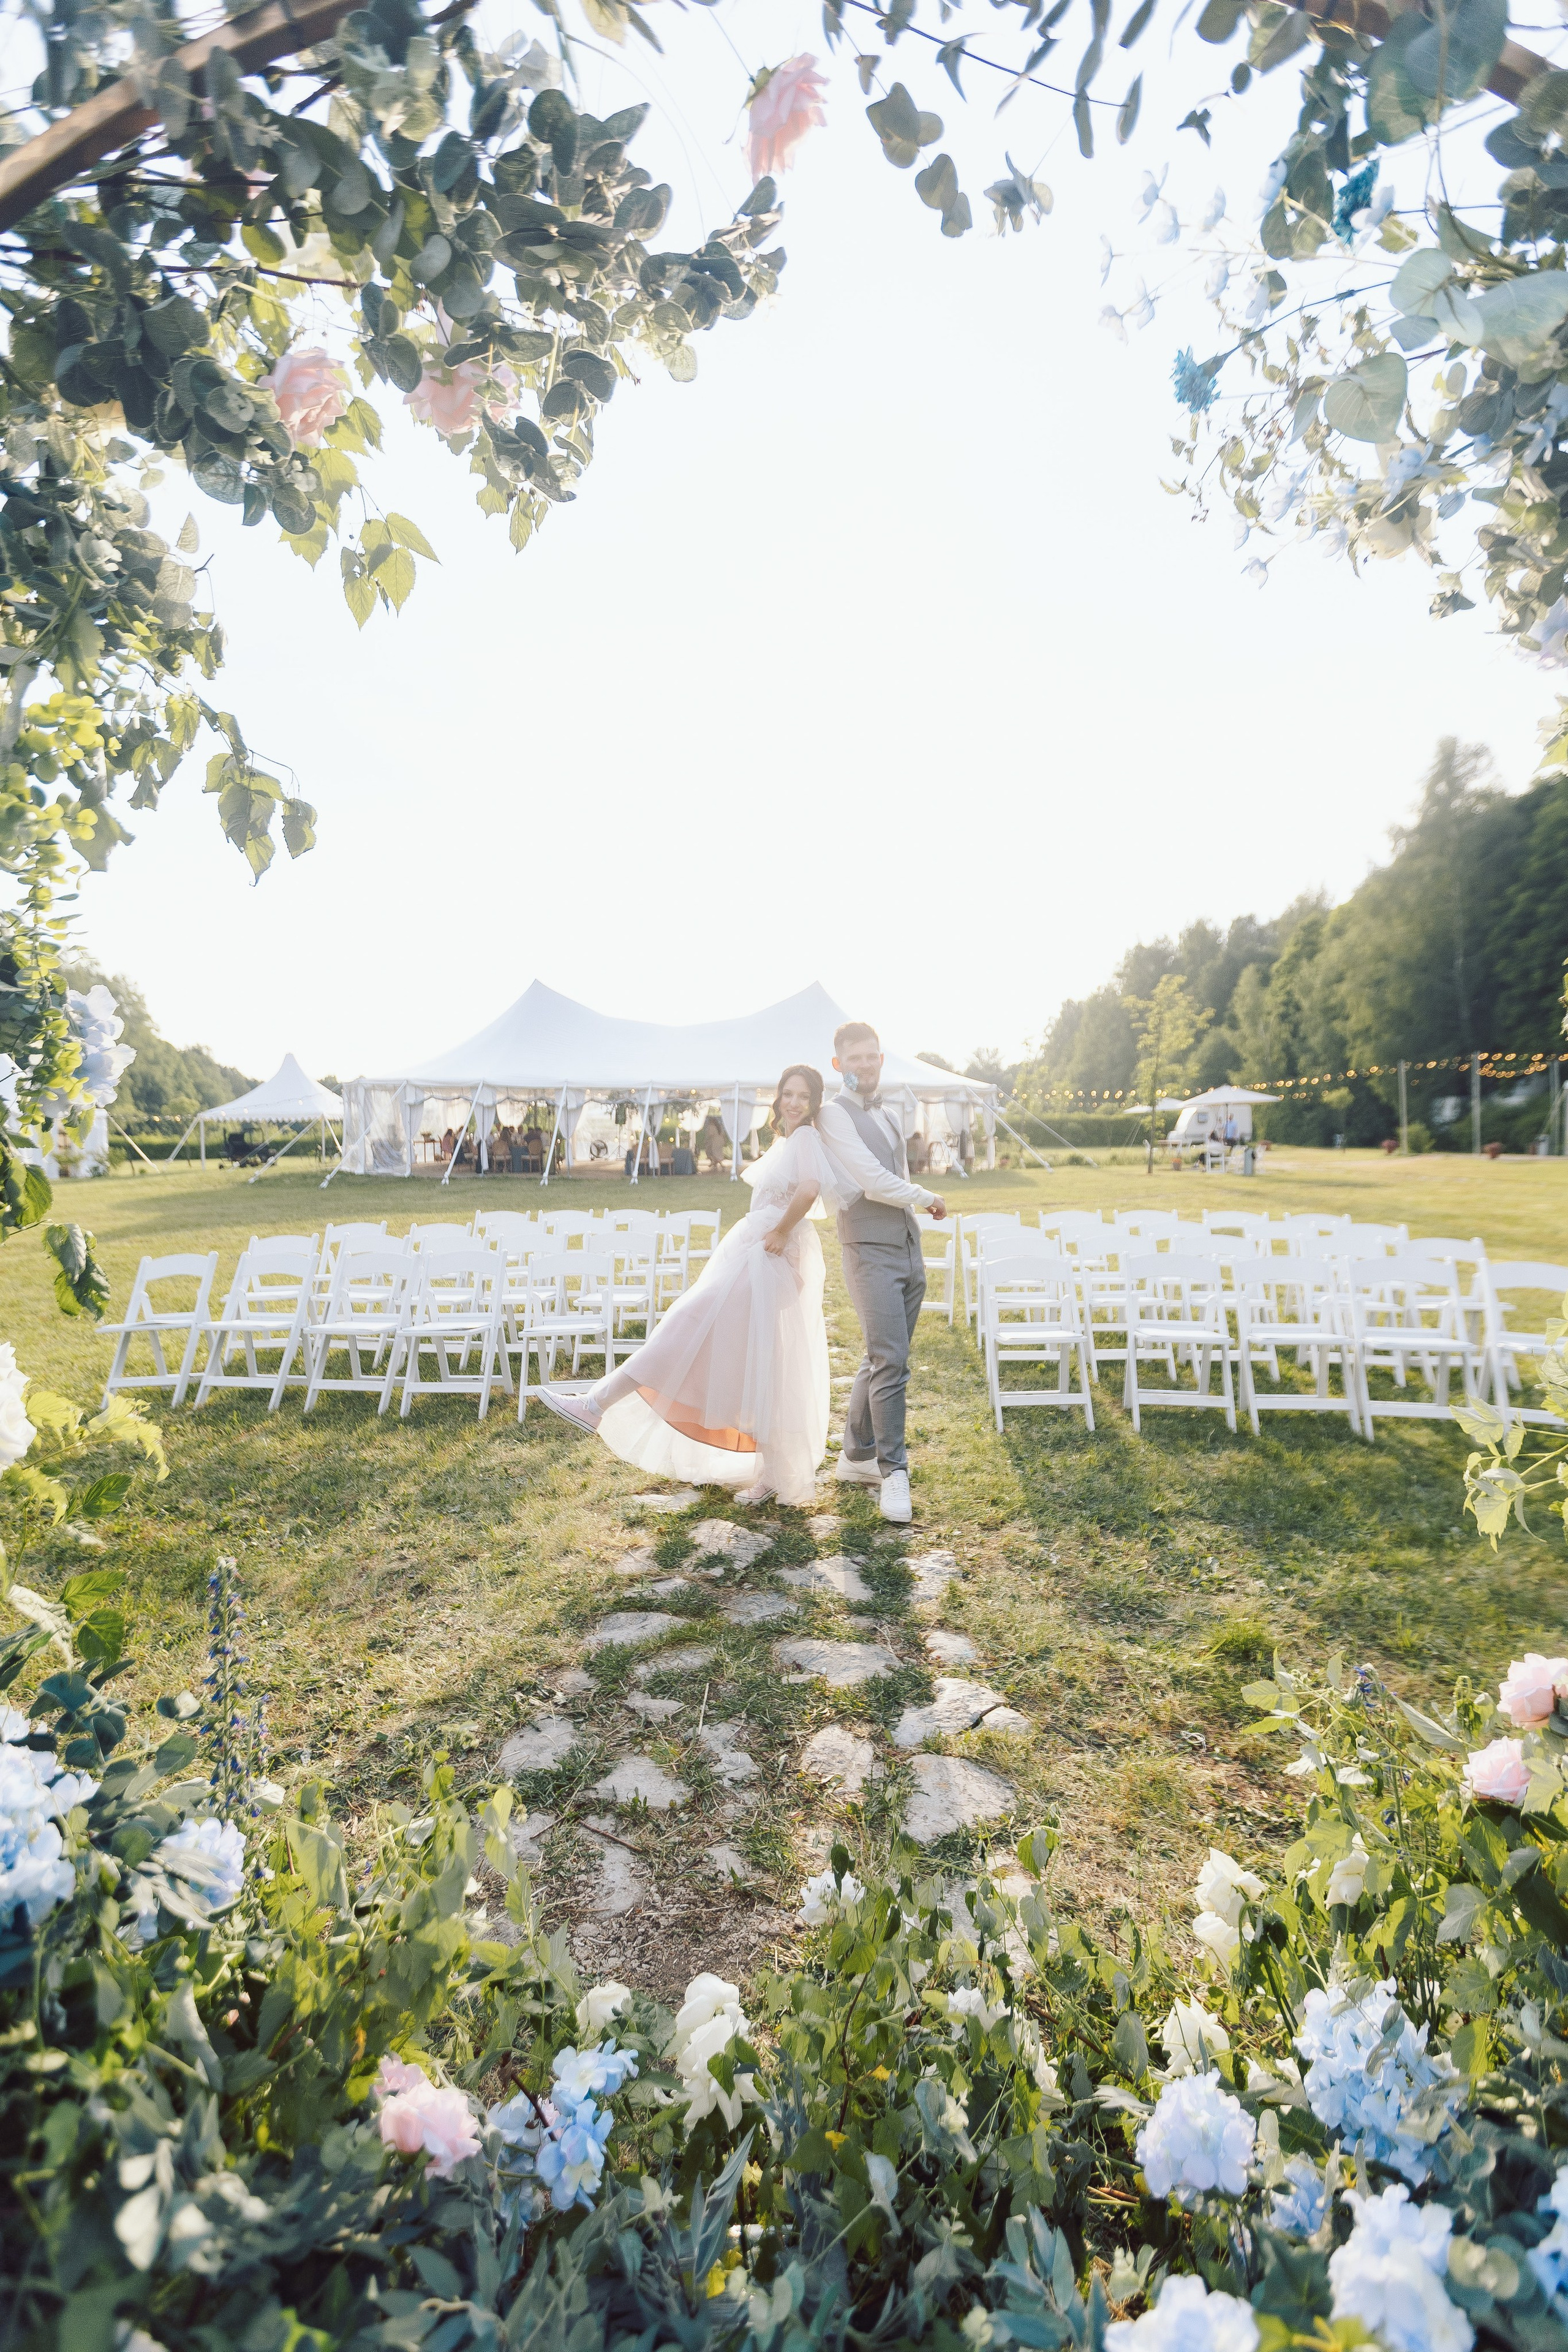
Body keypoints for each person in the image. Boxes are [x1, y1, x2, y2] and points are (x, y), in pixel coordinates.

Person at [535, 1064, 842, 1506]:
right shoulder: (787, 1140)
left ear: (814, 1104)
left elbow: (810, 1189)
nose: (794, 1103)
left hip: (772, 1258)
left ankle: (596, 1404)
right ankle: (775, 1471)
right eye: (788, 1094)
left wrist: (779, 1231)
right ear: (778, 1098)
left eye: (804, 1097)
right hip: (760, 1255)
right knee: (755, 1359)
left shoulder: (807, 1138)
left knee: (690, 1321)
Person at [816, 1020, 947, 1526]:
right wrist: (928, 1198)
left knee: (883, 1356)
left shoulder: (891, 1115)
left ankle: (855, 1455)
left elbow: (900, 1173)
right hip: (868, 1247)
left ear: (880, 1059)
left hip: (908, 1246)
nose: (865, 1065)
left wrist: (915, 1218)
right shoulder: (832, 1114)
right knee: (891, 1360)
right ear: (838, 1065)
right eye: (855, 1059)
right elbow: (872, 1182)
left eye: (871, 1056)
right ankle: (894, 1473)